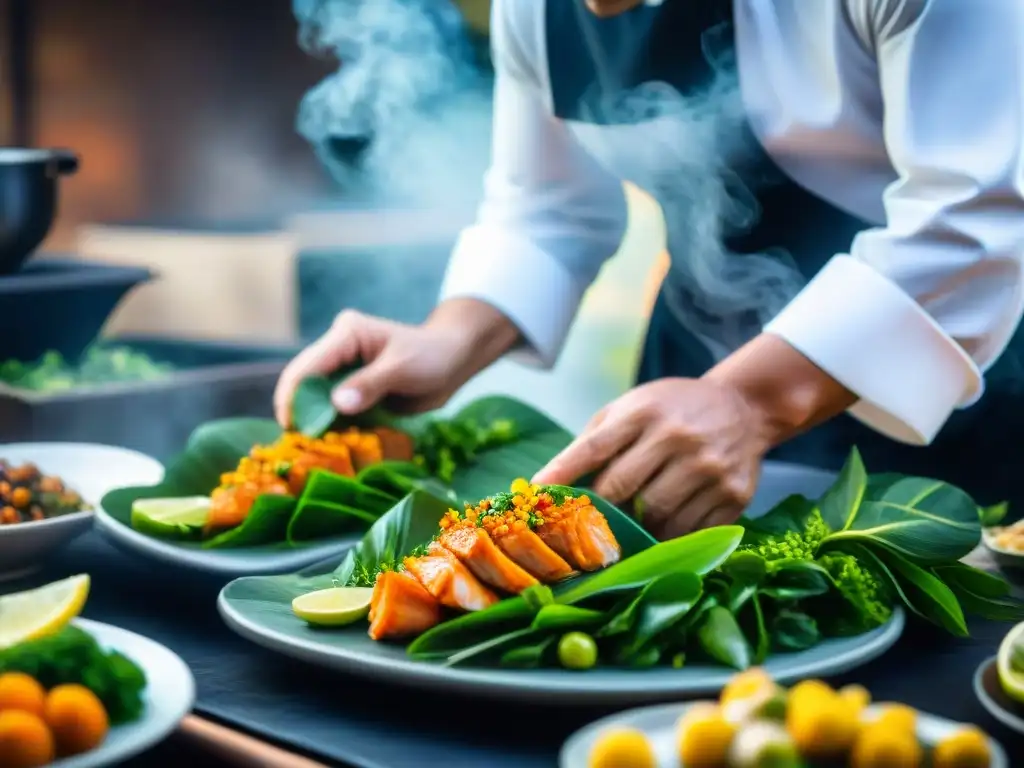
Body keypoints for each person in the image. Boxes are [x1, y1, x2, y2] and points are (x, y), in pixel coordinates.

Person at [275, 0, 1024, 539]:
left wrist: (750, 403)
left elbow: (975, 222)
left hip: (953, 389)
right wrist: (446, 338)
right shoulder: (531, 11)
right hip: (694, 376)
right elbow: (548, 208)